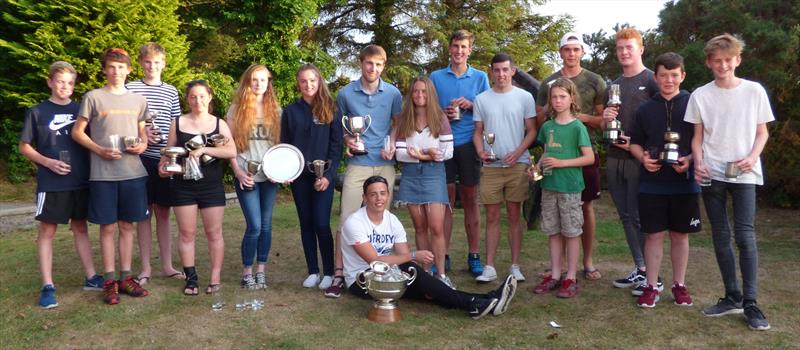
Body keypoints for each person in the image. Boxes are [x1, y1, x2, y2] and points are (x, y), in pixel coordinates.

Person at [685, 34, 774, 331]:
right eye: (717, 60)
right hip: (712, 174)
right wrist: (698, 162)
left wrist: (753, 156)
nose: (723, 65)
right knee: (720, 236)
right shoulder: (700, 95)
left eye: (728, 59)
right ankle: (731, 296)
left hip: (744, 172)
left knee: (745, 236)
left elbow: (762, 132)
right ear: (709, 62)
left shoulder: (754, 91)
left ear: (738, 60)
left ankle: (751, 303)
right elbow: (697, 138)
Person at [342, 176, 517, 319]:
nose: (379, 198)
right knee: (420, 278)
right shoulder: (355, 222)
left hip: (387, 274)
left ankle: (485, 301)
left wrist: (410, 259)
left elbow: (403, 257)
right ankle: (482, 300)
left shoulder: (392, 220)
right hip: (362, 281)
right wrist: (413, 255)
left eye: (382, 193)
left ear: (388, 195)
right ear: (364, 198)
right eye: (373, 194)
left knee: (429, 289)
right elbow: (375, 260)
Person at [19, 61, 102, 309]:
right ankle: (48, 286)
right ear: (50, 82)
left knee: (80, 228)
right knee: (47, 232)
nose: (65, 86)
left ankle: (91, 277)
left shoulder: (81, 110)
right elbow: (24, 147)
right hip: (52, 182)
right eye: (60, 81)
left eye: (70, 82)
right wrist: (48, 162)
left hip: (80, 180)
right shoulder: (37, 111)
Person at [71, 48, 150, 305]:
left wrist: (142, 145)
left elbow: (143, 134)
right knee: (107, 227)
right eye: (111, 67)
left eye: (121, 67)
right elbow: (78, 132)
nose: (116, 71)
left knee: (128, 226)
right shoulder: (93, 97)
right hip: (103, 174)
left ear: (129, 70)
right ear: (105, 70)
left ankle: (126, 278)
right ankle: (109, 281)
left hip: (132, 172)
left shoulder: (138, 100)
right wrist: (99, 150)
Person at [324, 44, 402, 297]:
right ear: (361, 63)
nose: (373, 68)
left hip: (384, 163)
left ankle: (379, 271)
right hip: (358, 164)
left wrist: (392, 142)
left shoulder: (392, 93)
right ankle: (338, 274)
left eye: (379, 64)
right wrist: (348, 140)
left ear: (384, 66)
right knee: (347, 219)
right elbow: (342, 128)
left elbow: (398, 124)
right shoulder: (346, 93)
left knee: (381, 223)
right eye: (369, 63)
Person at [628, 52, 700, 307]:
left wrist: (690, 159)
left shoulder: (694, 104)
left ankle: (679, 285)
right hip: (651, 183)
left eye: (673, 75)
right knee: (653, 235)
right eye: (663, 75)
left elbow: (702, 141)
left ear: (682, 76)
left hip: (684, 182)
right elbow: (635, 143)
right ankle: (650, 285)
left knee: (680, 235)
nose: (668, 80)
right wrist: (642, 158)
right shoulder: (645, 109)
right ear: (655, 77)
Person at [536, 33, 606, 281]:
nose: (571, 53)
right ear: (561, 52)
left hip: (583, 153)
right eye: (567, 49)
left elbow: (603, 122)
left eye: (576, 49)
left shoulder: (595, 81)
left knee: (583, 208)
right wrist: (536, 169)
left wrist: (581, 118)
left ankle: (585, 264)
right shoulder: (549, 83)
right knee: (556, 220)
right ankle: (560, 269)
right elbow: (540, 120)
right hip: (553, 164)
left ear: (582, 52)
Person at [159, 80, 235, 295]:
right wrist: (163, 166)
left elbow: (232, 151)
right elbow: (168, 152)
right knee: (186, 233)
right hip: (183, 186)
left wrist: (204, 151)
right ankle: (191, 279)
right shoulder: (178, 122)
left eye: (202, 96)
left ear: (209, 97)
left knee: (214, 233)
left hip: (211, 186)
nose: (197, 100)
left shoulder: (219, 124)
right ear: (188, 99)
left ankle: (215, 277)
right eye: (193, 96)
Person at [602, 28, 659, 290]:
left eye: (629, 47)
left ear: (641, 49)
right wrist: (605, 119)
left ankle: (652, 275)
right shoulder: (613, 84)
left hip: (639, 158)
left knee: (639, 217)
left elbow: (663, 120)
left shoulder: (652, 80)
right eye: (620, 48)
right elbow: (607, 126)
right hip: (614, 157)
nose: (624, 52)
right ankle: (640, 267)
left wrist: (642, 146)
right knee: (625, 215)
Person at [472, 53, 537, 283]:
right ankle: (489, 267)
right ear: (491, 71)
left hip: (517, 165)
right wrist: (481, 151)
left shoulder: (525, 97)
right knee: (491, 215)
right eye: (496, 70)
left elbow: (532, 130)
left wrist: (519, 152)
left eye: (504, 70)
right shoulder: (482, 99)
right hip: (490, 166)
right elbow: (478, 133)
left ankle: (515, 266)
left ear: (513, 71)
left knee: (513, 215)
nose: (500, 74)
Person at [430, 29, 490, 276]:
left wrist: (472, 104)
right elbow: (426, 107)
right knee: (445, 203)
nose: (459, 51)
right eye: (455, 46)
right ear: (449, 48)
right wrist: (442, 113)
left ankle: (474, 255)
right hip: (443, 143)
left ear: (470, 50)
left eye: (463, 47)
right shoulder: (435, 76)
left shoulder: (480, 77)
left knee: (470, 200)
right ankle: (443, 255)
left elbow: (489, 108)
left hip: (468, 143)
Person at [530, 78, 594, 298]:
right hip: (549, 186)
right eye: (554, 97)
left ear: (572, 99)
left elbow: (589, 157)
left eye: (562, 97)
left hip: (570, 187)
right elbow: (547, 153)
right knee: (553, 232)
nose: (557, 101)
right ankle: (555, 274)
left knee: (572, 231)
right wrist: (536, 169)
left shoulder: (577, 126)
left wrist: (562, 164)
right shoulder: (547, 126)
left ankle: (571, 277)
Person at [126, 42, 184, 284]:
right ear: (140, 63)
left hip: (163, 159)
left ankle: (168, 265)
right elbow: (124, 121)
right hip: (138, 159)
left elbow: (176, 125)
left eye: (157, 63)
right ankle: (146, 268)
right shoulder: (130, 88)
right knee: (143, 214)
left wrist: (166, 154)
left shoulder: (171, 91)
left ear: (164, 64)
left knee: (163, 212)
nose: (152, 67)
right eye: (148, 62)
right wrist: (141, 136)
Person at [281, 64, 342, 290]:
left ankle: (328, 271)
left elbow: (336, 147)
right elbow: (285, 145)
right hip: (299, 178)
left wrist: (328, 176)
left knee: (321, 223)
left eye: (312, 81)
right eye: (304, 81)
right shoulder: (290, 111)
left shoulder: (331, 108)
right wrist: (286, 172)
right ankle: (313, 271)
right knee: (306, 224)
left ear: (319, 81)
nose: (308, 85)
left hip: (323, 177)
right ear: (298, 84)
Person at [393, 76, 454, 286]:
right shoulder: (404, 119)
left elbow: (447, 152)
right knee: (419, 227)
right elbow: (400, 154)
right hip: (410, 175)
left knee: (436, 227)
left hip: (434, 174)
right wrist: (427, 152)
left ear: (430, 94)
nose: (420, 95)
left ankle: (442, 275)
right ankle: (426, 273)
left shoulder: (440, 118)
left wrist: (422, 154)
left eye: (424, 92)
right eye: (416, 91)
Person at [227, 64, 281, 290]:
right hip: (246, 175)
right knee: (255, 226)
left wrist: (280, 172)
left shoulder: (277, 110)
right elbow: (228, 146)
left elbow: (281, 146)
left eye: (263, 79)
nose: (259, 84)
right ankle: (247, 271)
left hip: (269, 178)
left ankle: (261, 270)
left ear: (269, 82)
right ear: (247, 82)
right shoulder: (235, 109)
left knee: (266, 226)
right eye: (254, 80)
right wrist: (238, 172)